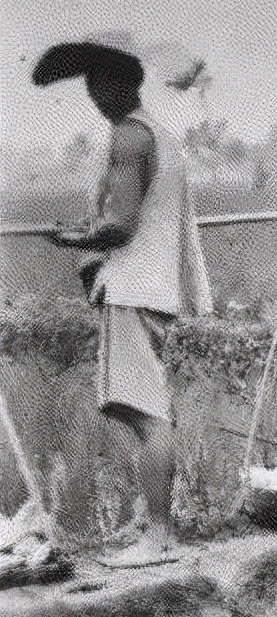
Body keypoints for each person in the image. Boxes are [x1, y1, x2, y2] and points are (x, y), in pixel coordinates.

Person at [33, 41, 212, 567]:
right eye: (88, 86)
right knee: (148, 410)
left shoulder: (129, 136)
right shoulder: (163, 135)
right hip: (156, 286)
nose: (92, 96)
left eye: (97, 85)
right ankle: (151, 524)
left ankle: (158, 534)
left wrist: (70, 240)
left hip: (134, 286)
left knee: (147, 415)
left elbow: (121, 224)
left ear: (122, 84)